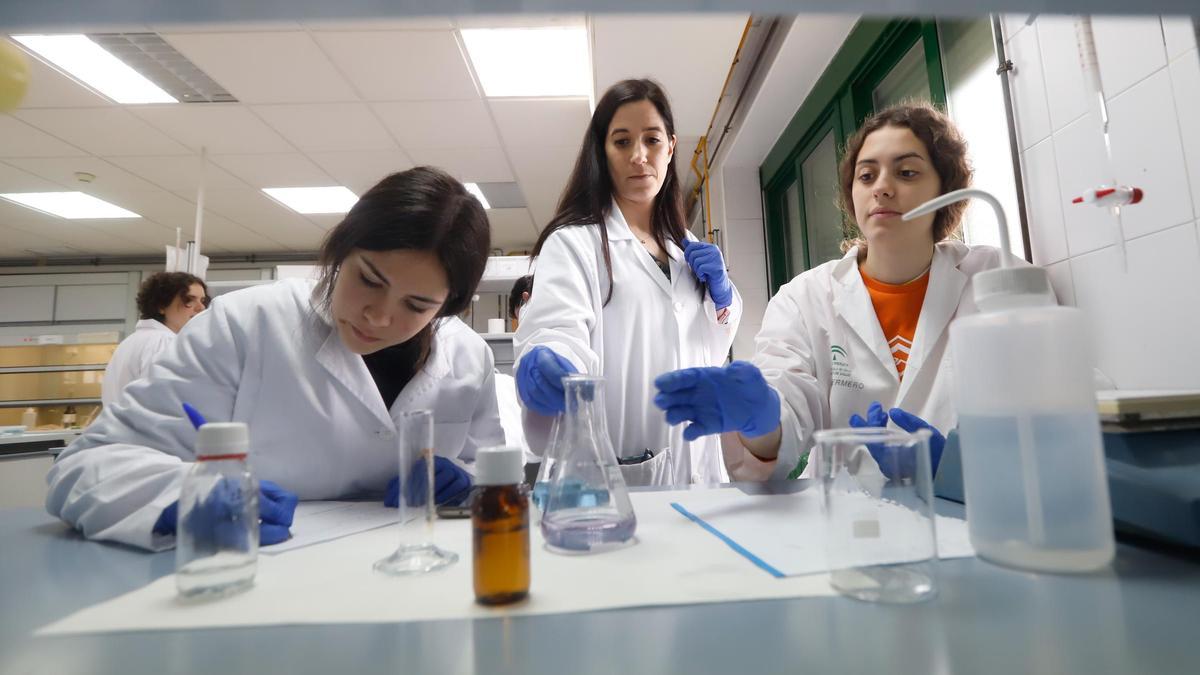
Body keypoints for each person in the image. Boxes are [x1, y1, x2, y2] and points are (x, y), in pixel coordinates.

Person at [47, 167, 505, 551]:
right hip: (259, 582)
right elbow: (84, 467)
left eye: (417, 306)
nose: (379, 315)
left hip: (415, 590)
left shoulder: (468, 359)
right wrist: (183, 499)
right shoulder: (246, 325)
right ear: (341, 252)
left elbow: (484, 468)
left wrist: (466, 481)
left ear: (446, 307)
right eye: (368, 279)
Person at [655, 102, 1009, 481]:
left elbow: (1039, 419)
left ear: (947, 189)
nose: (882, 188)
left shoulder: (994, 279)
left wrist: (955, 471)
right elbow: (787, 420)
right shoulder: (804, 299)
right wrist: (761, 419)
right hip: (844, 523)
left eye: (906, 172)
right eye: (867, 176)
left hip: (971, 515)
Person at [514, 78, 741, 487]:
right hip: (618, 468)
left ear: (671, 146)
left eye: (652, 140)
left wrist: (722, 300)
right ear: (602, 152)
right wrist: (551, 359)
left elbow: (709, 345)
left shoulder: (686, 247)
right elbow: (558, 330)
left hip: (701, 467)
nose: (639, 156)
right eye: (622, 142)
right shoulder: (574, 243)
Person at [100, 272, 209, 408]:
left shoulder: (131, 341)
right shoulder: (164, 342)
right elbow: (160, 402)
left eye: (203, 301)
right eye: (189, 300)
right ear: (161, 306)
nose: (201, 308)